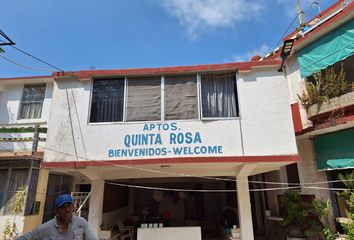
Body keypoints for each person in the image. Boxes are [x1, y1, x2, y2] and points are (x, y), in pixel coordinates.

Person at [17, 193, 97, 240]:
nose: (67, 210)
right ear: (57, 210)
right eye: (63, 207)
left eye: (69, 206)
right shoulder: (46, 227)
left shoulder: (81, 222)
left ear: (73, 206)